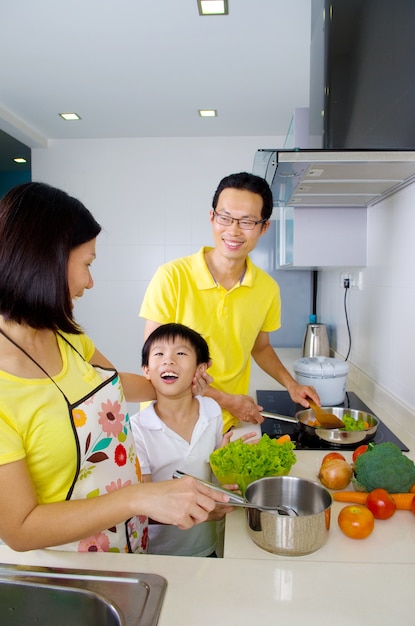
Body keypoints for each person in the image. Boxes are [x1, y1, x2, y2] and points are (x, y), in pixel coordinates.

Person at [0, 182, 230, 554]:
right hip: (67, 569)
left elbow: (112, 385)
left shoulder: (66, 337)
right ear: (46, 260)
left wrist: (181, 385)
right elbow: (20, 529)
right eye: (87, 264)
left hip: (125, 543)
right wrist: (138, 498)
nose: (90, 282)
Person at [139, 172, 321, 433]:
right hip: (166, 425)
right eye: (225, 218)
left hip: (222, 424)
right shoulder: (171, 277)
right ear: (212, 217)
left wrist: (291, 384)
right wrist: (227, 401)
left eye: (247, 221)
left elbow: (261, 347)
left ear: (264, 227)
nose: (233, 231)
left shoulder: (267, 289)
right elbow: (157, 366)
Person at [131, 323, 256, 557]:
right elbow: (143, 505)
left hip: (206, 544)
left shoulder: (212, 410)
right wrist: (206, 513)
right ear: (146, 370)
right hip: (158, 553)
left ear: (201, 369)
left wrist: (228, 457)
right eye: (159, 354)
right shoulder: (137, 429)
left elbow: (213, 470)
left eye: (180, 353)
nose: (169, 360)